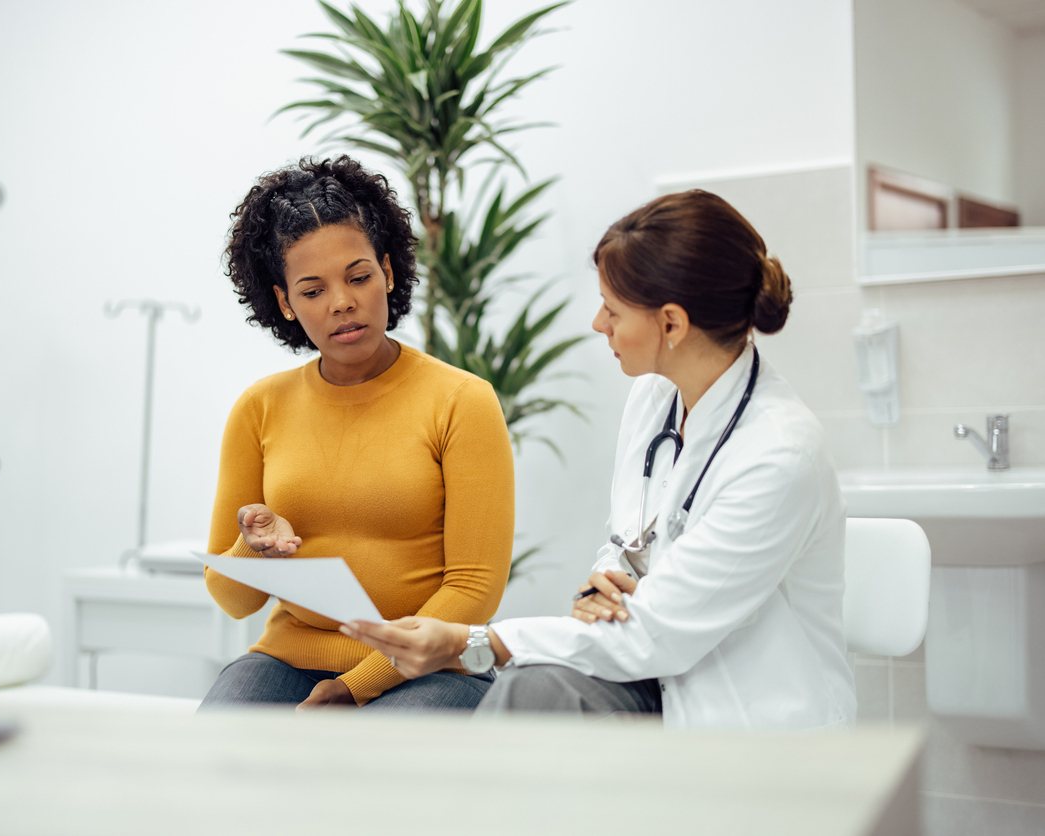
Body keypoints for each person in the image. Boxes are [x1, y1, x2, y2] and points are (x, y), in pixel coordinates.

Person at [343, 190, 857, 730]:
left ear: (673, 325)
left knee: (531, 693)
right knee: (534, 690)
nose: (597, 323)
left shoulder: (779, 455)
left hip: (748, 715)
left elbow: (658, 632)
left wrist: (472, 643)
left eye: (612, 309)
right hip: (657, 678)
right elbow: (627, 544)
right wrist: (603, 582)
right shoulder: (655, 397)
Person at [199, 156, 514, 713]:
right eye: (313, 289)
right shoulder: (259, 408)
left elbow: (473, 589)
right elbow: (232, 598)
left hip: (431, 665)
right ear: (284, 303)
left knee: (369, 769)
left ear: (388, 273)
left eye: (359, 276)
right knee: (222, 747)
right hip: (291, 658)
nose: (342, 301)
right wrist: (256, 548)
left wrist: (355, 686)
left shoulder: (462, 401)